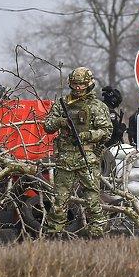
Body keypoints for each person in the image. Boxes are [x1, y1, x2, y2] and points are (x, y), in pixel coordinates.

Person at [43, 67, 113, 238]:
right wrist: (61, 122)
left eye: (81, 85)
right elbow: (47, 126)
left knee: (92, 200)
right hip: (65, 159)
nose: (78, 88)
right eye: (75, 84)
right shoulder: (63, 104)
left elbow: (106, 131)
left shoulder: (96, 106)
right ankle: (54, 235)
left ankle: (96, 234)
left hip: (87, 157)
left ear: (88, 84)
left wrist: (88, 135)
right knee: (59, 200)